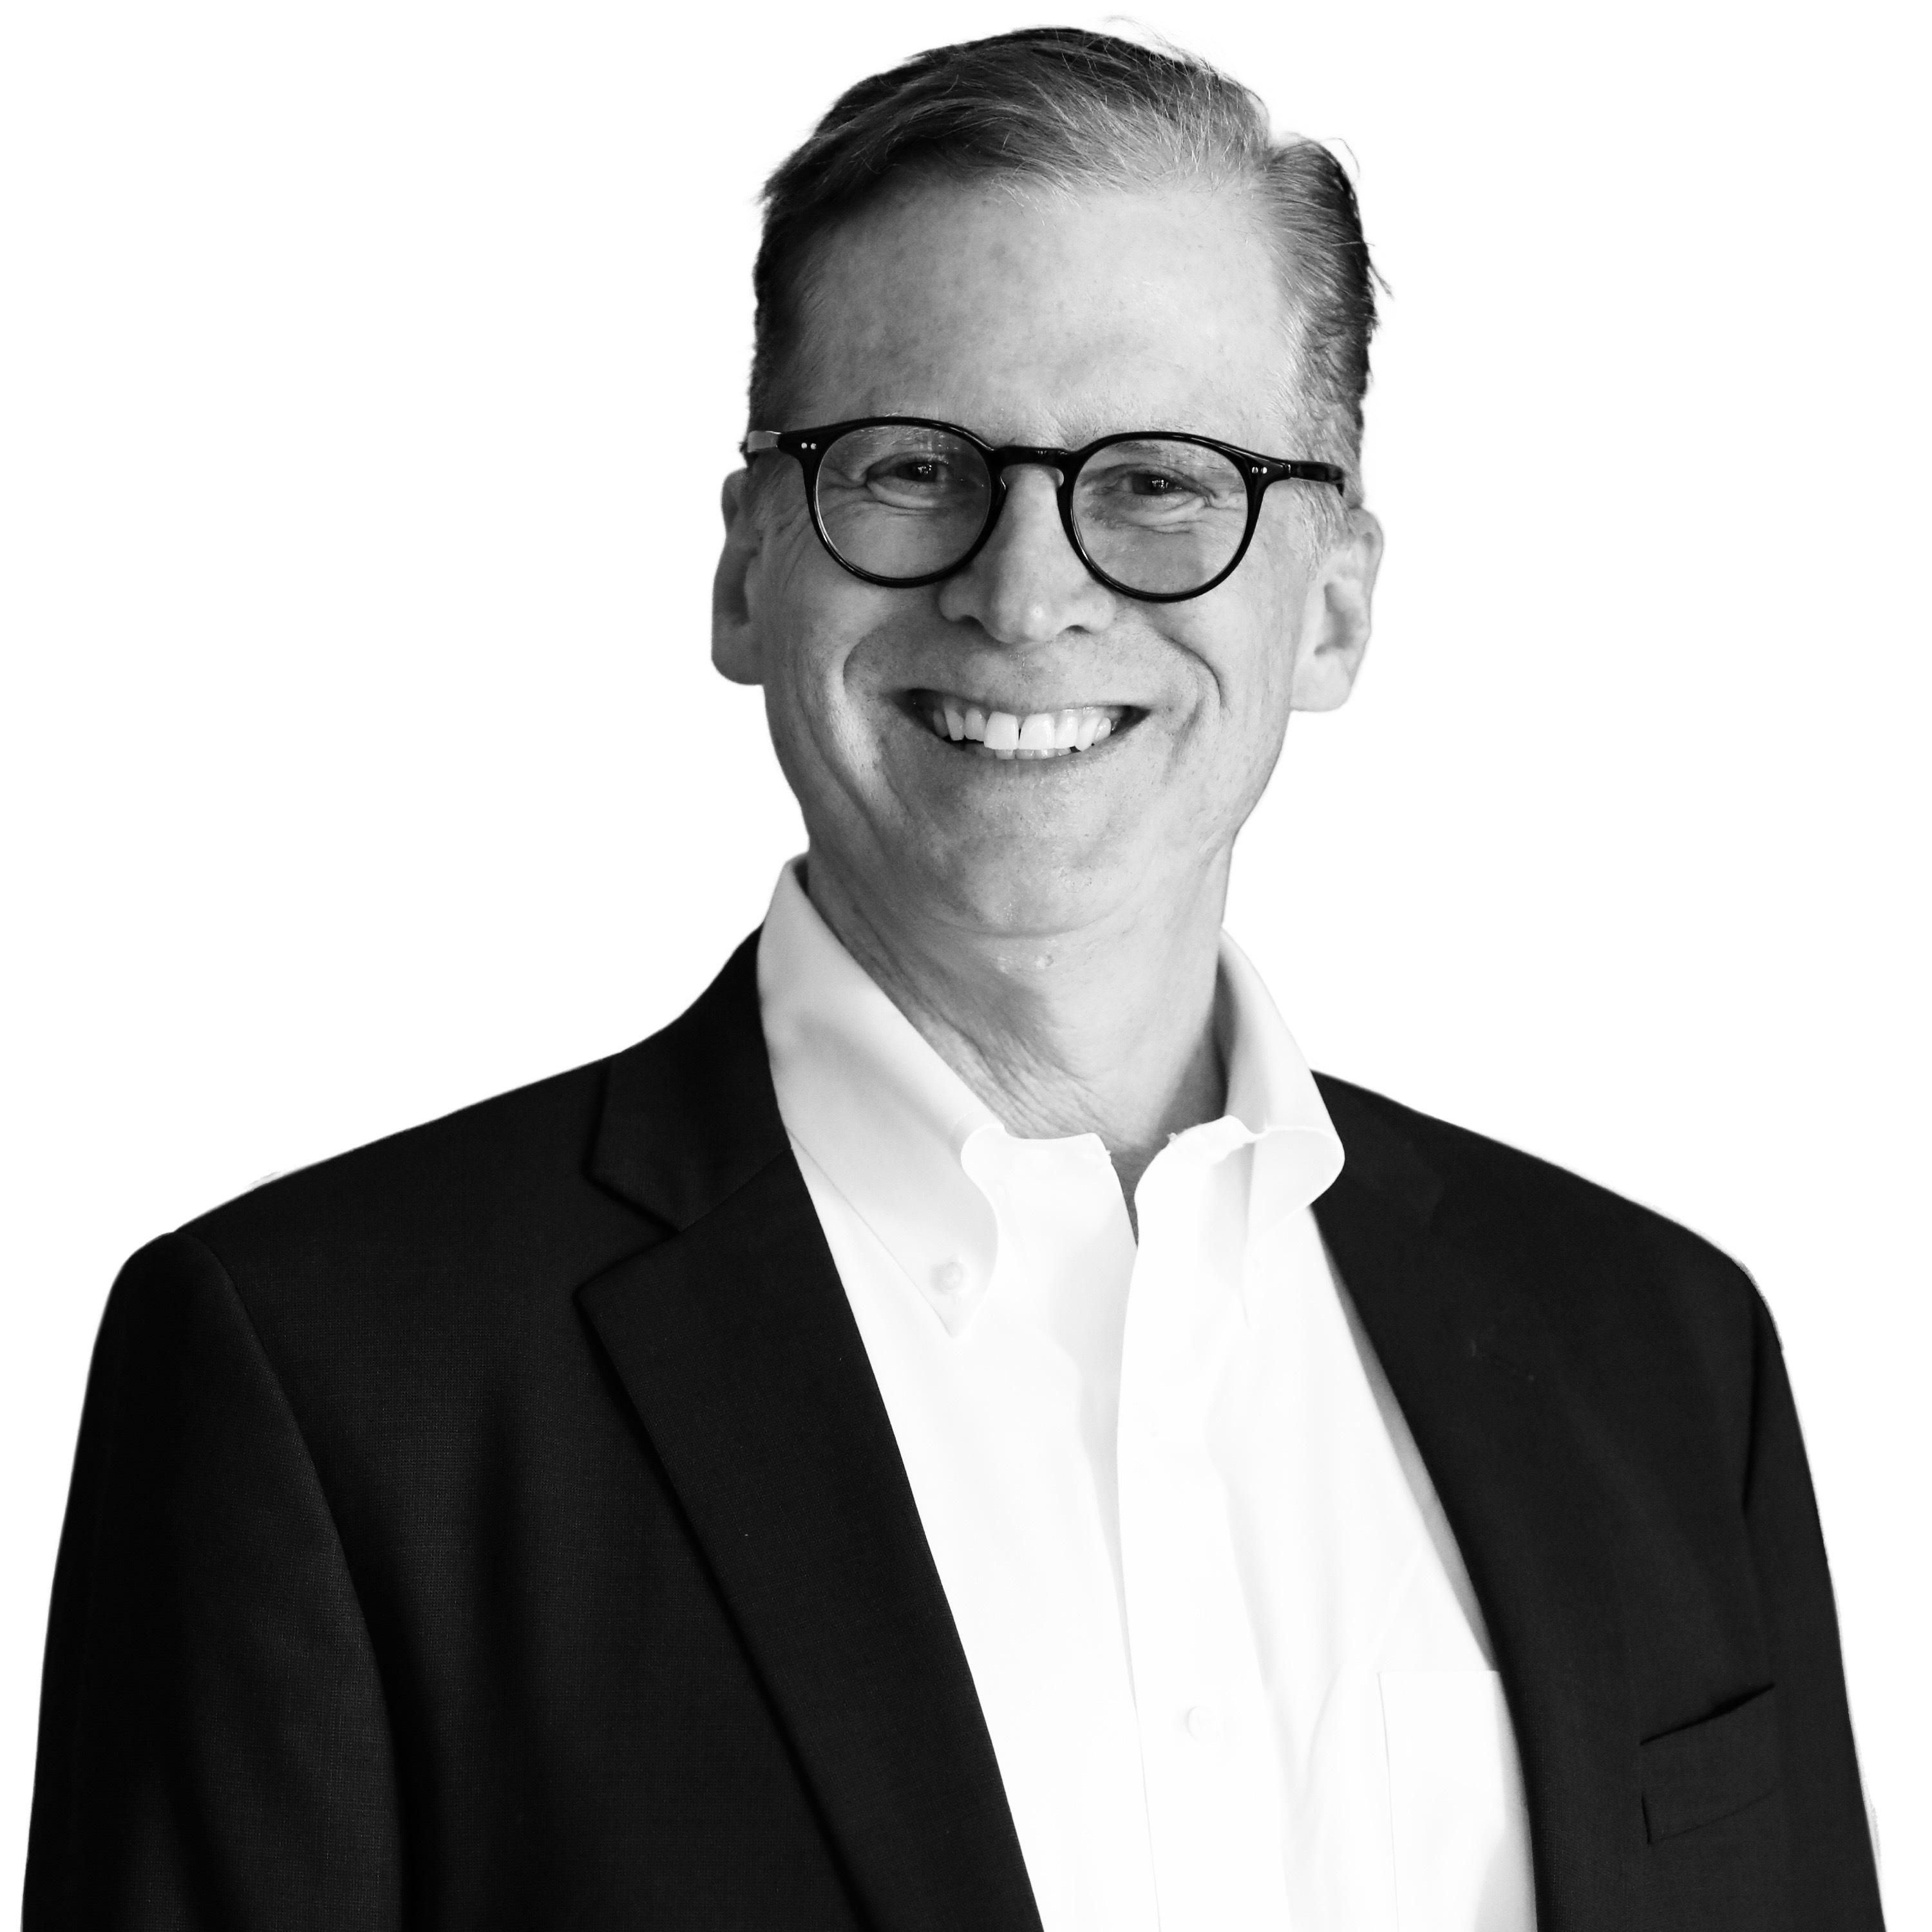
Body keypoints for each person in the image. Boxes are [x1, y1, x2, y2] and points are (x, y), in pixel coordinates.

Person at [24, 27, 1882, 1932]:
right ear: (750, 569)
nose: (1026, 591)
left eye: (1160, 483)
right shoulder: (329, 1384)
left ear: (1333, 605)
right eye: (913, 468)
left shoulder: (1667, 1356)